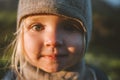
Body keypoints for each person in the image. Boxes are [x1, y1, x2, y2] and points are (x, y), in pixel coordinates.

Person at [3, 0, 108, 80]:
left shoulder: (98, 76)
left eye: (70, 27)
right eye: (37, 27)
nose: (53, 40)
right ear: (21, 33)